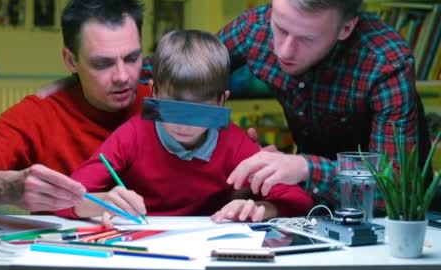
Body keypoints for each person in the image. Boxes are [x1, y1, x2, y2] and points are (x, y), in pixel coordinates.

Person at [213, 0, 431, 211]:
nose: (284, 50)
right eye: (279, 27)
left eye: (306, 38)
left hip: (394, 217)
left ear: (346, 28)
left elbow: (396, 184)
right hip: (312, 203)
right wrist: (233, 146)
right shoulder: (252, 28)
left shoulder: (385, 62)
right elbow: (172, 71)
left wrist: (304, 167)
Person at [56, 30, 313, 223]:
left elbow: (299, 200)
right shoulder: (131, 136)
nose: (184, 122)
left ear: (222, 101)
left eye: (199, 109)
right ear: (154, 93)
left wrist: (262, 209)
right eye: (173, 106)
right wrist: (101, 202)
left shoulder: (233, 141)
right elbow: (61, 199)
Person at [0, 0, 151, 212]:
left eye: (132, 58)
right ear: (70, 60)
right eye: (102, 64)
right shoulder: (41, 114)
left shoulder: (161, 103)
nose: (122, 77)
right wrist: (9, 189)